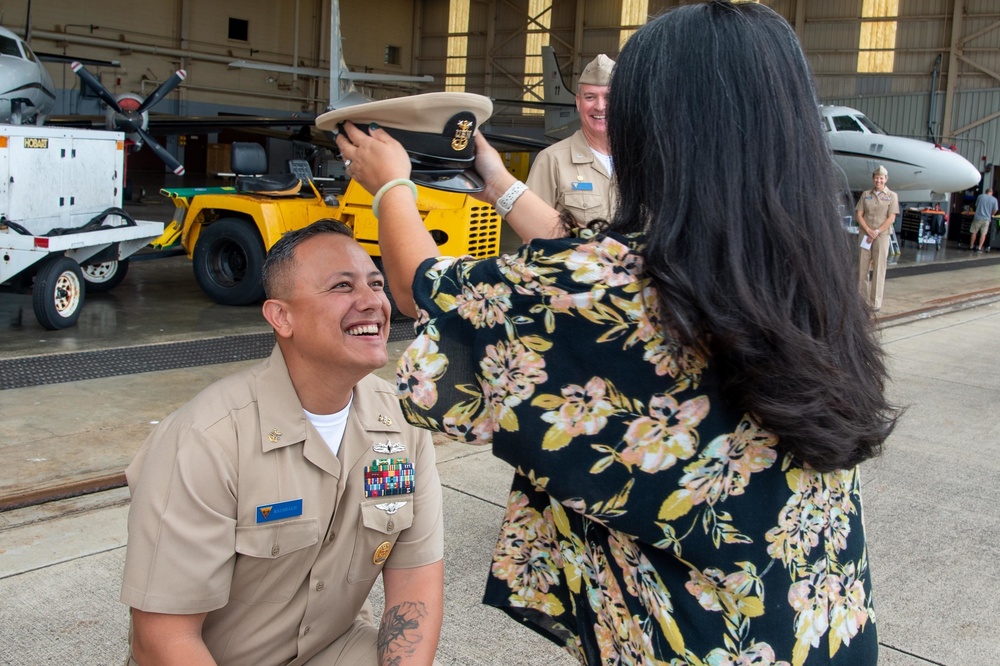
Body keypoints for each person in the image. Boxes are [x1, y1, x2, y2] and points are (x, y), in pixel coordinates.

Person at [333, 1, 897, 663]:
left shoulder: (628, 285)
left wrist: (390, 184)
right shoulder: (799, 271)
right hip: (821, 631)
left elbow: (428, 290)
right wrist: (498, 179)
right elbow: (588, 259)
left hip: (701, 644)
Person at [120, 219, 444, 665]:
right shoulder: (206, 440)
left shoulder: (404, 424)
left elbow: (415, 587)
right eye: (342, 287)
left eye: (375, 283)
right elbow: (162, 639)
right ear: (281, 316)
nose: (372, 302)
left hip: (334, 648)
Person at [525, 53, 616, 228]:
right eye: (590, 97)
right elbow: (531, 232)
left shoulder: (642, 161)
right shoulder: (552, 160)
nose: (600, 106)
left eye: (609, 98)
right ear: (578, 102)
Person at [856, 165, 900, 312]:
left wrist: (876, 231)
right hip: (865, 235)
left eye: (881, 178)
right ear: (873, 179)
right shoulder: (865, 194)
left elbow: (891, 218)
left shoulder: (892, 196)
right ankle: (861, 300)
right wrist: (868, 230)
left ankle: (875, 302)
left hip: (881, 236)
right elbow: (859, 215)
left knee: (879, 269)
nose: (879, 181)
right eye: (876, 178)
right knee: (863, 268)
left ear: (886, 179)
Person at [970, 187, 998, 251]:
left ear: (986, 192)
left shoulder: (980, 196)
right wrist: (991, 214)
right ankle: (979, 247)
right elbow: (995, 210)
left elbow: (976, 205)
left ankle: (971, 246)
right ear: (992, 192)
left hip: (978, 217)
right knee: (983, 233)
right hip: (987, 219)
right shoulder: (994, 199)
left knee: (974, 232)